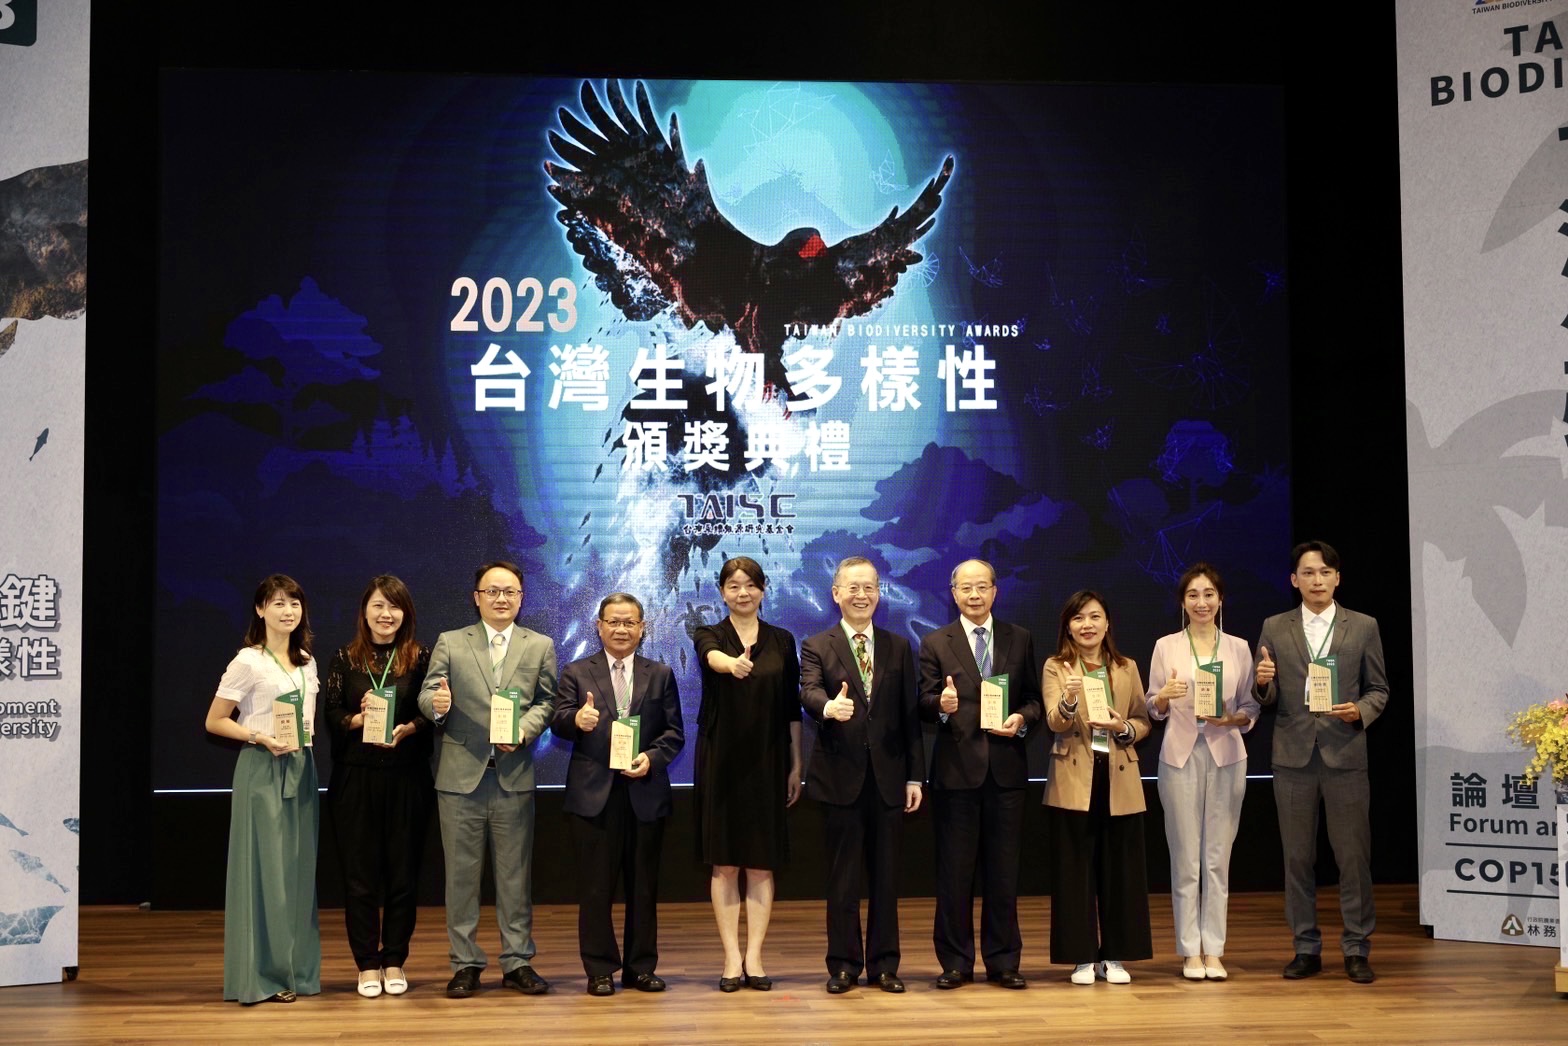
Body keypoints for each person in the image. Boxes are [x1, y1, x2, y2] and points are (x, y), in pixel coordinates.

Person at [417, 560, 557, 998]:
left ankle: (517, 962)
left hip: (513, 777)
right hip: (460, 779)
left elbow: (549, 701)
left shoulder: (540, 645)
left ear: (521, 597)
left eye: (510, 591)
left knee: (515, 877)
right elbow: (427, 694)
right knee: (460, 878)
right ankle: (465, 964)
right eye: (492, 591)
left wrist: (526, 728)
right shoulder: (452, 642)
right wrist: (437, 705)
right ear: (477, 597)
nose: (502, 599)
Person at [1253, 540, 1388, 985]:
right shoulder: (1275, 626)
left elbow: (1379, 690)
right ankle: (1306, 948)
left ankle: (1356, 949)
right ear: (1294, 580)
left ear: (1337, 577)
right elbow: (1266, 698)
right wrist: (1262, 684)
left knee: (1353, 858)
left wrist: (1360, 712)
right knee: (1297, 859)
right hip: (1292, 756)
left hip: (1345, 754)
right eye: (1307, 573)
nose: (1317, 580)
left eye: (1324, 572)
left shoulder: (1363, 626)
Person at [800, 557, 925, 995]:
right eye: (852, 587)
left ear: (879, 593)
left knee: (887, 879)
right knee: (843, 880)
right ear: (836, 593)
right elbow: (809, 689)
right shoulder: (818, 644)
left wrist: (915, 777)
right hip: (839, 778)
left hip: (890, 779)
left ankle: (885, 966)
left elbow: (910, 717)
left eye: (870, 587)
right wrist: (827, 707)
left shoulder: (897, 646)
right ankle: (844, 966)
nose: (862, 595)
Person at [550, 593, 685, 996]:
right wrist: (576, 718)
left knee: (643, 887)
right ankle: (600, 969)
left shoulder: (659, 673)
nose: (621, 629)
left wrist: (651, 758)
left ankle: (640, 968)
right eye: (614, 622)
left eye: (630, 622)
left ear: (643, 627)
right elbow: (557, 721)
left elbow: (674, 734)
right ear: (599, 626)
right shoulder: (576, 671)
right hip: (594, 796)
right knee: (595, 888)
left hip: (644, 790)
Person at [917, 558, 1041, 990]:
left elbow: (1033, 700)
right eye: (965, 588)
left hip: (1006, 772)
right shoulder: (935, 642)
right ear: (953, 593)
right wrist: (941, 707)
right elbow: (925, 702)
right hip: (956, 775)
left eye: (982, 587)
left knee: (1004, 872)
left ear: (995, 590)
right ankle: (955, 962)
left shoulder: (1019, 638)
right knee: (954, 873)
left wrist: (1021, 720)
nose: (974, 595)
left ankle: (1004, 960)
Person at [203, 574, 321, 1004]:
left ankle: (297, 971)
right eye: (278, 603)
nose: (288, 611)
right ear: (260, 610)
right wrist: (258, 737)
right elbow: (215, 721)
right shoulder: (248, 661)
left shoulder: (307, 660)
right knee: (265, 871)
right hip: (262, 768)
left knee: (297, 872)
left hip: (301, 767)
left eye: (294, 603)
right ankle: (264, 976)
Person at [321, 575, 434, 998]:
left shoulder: (419, 658)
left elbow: (432, 716)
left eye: (395, 607)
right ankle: (367, 962)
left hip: (407, 777)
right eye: (378, 606)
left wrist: (409, 728)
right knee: (360, 875)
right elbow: (329, 714)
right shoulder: (343, 658)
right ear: (364, 611)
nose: (387, 615)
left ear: (406, 613)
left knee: (403, 874)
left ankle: (394, 960)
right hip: (355, 777)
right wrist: (356, 717)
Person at [693, 556, 802, 992]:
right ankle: (731, 958)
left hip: (769, 758)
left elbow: (792, 707)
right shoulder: (709, 632)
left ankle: (755, 956)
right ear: (722, 592)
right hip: (721, 758)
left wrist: (797, 764)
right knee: (725, 862)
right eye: (734, 585)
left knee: (760, 863)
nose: (743, 592)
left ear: (763, 590)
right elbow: (711, 657)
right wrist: (730, 663)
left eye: (751, 585)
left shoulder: (782, 639)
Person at [1146, 563, 1258, 981]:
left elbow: (1250, 707)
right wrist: (1163, 697)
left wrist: (1234, 720)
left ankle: (1215, 949)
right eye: (1193, 594)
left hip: (1227, 755)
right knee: (1186, 858)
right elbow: (1150, 705)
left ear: (1220, 599)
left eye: (1209, 593)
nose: (1202, 602)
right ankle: (1190, 951)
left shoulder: (1239, 648)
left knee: (1217, 859)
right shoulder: (1165, 646)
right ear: (1183, 602)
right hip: (1179, 756)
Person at [1042, 589, 1152, 985]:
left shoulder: (1126, 667)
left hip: (1118, 774)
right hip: (1074, 777)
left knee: (1120, 870)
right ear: (1068, 627)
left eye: (1094, 617)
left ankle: (1116, 956)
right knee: (1074, 871)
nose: (1086, 625)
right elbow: (1054, 721)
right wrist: (1070, 700)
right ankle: (1082, 957)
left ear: (1107, 624)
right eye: (1078, 619)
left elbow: (1142, 720)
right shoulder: (1057, 667)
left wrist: (1122, 727)